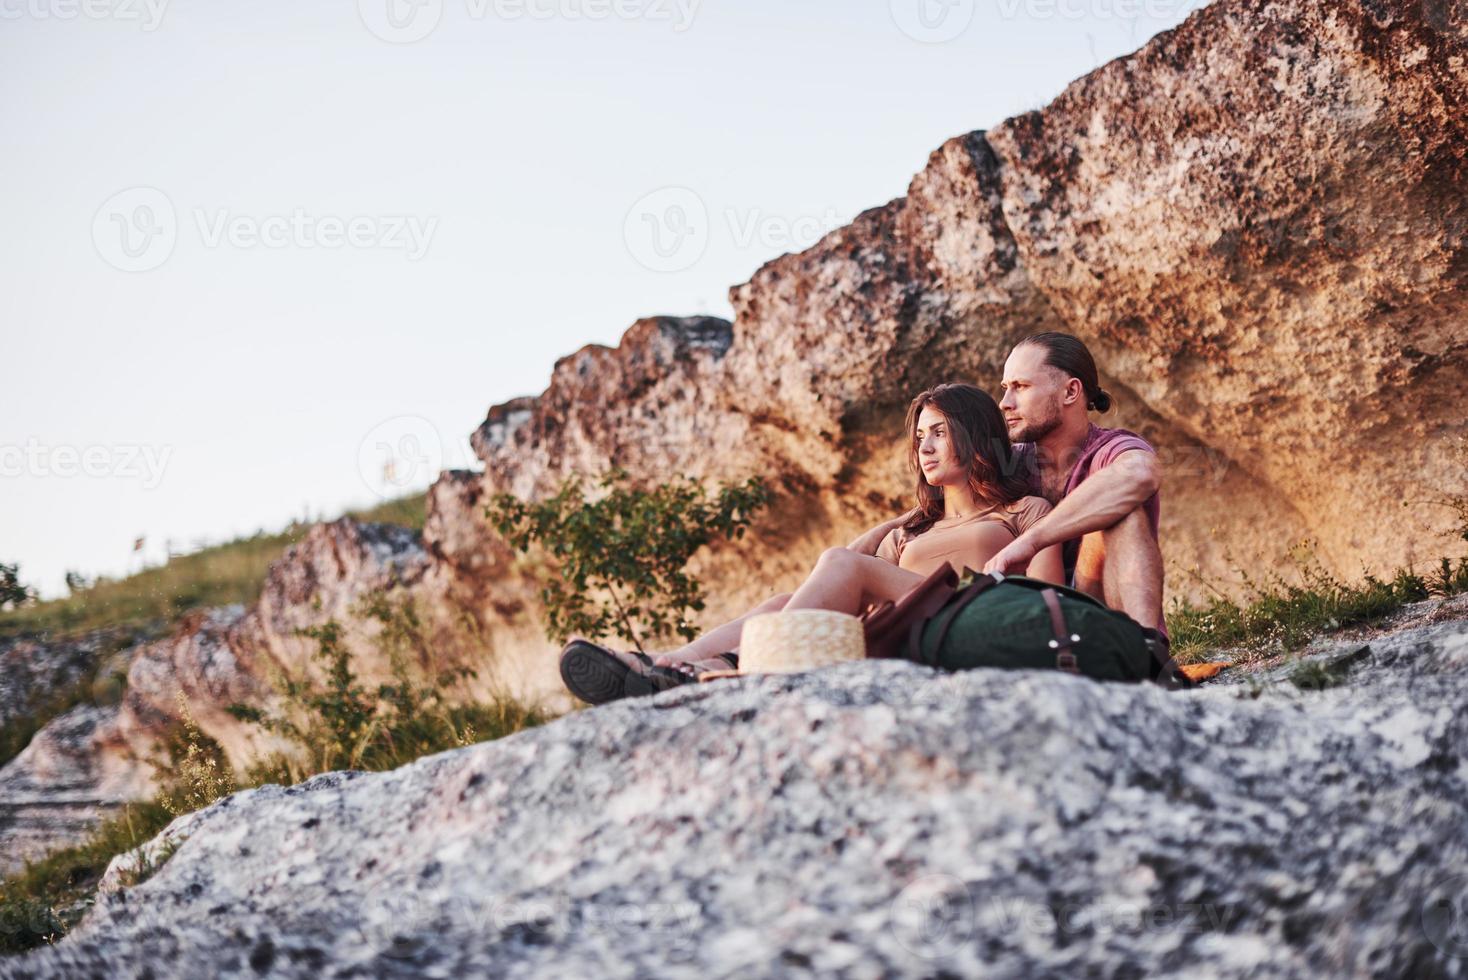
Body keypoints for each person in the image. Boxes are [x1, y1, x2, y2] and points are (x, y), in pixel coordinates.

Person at [558, 383, 1064, 705]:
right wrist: (910, 517)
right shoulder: (911, 532)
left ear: (973, 436)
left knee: (843, 565)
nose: (924, 448)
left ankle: (740, 667)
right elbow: (849, 567)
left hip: (969, 624)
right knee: (782, 602)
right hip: (896, 638)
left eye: (937, 432)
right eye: (918, 438)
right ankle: (670, 664)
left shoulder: (1023, 513)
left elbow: (1048, 607)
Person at [983, 332, 1168, 647]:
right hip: (1032, 620)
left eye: (1021, 387)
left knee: (1124, 514)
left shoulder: (1110, 448)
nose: (1005, 403)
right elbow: (938, 512)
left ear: (1071, 391)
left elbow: (1140, 472)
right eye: (1005, 389)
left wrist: (1030, 542)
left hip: (1098, 609)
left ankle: (1151, 656)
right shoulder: (1009, 461)